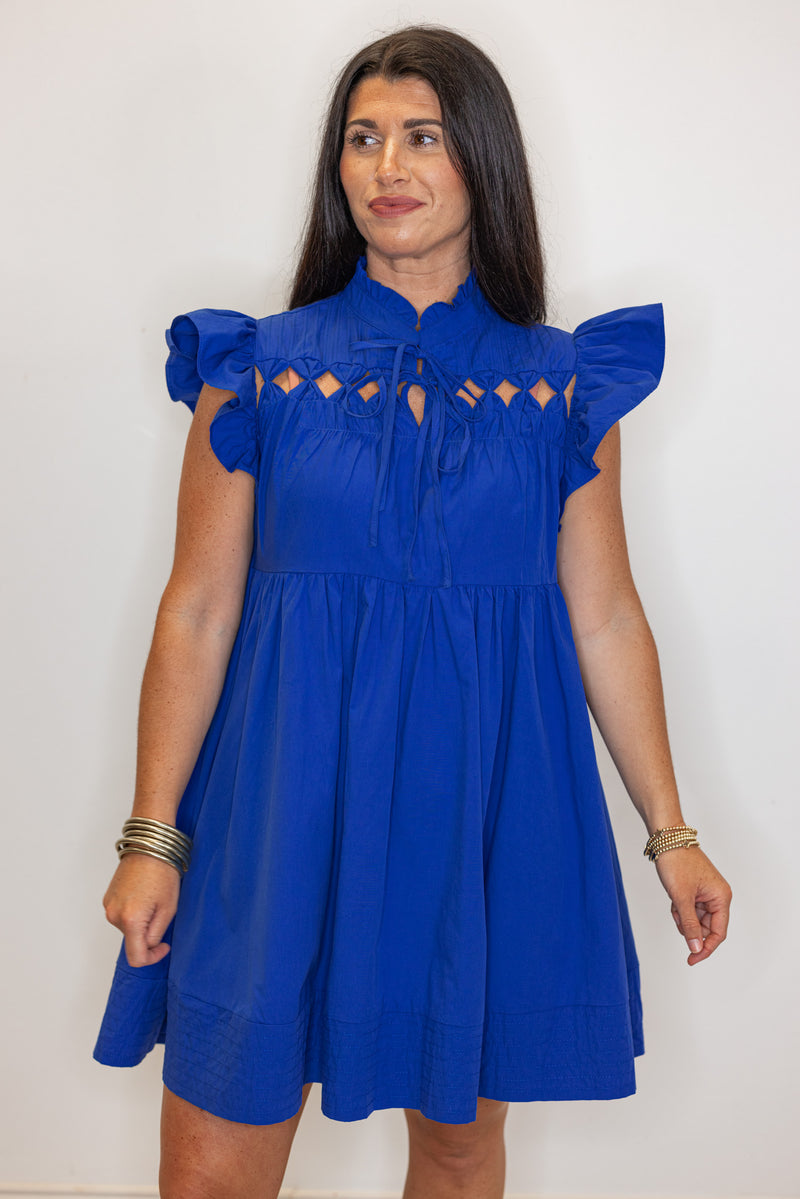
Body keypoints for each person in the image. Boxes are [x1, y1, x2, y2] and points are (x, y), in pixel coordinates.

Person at [94, 23, 732, 1199]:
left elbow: (602, 617)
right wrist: (150, 836)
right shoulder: (256, 370)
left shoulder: (562, 388)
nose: (386, 166)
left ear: (481, 160)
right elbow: (196, 613)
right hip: (277, 811)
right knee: (213, 1159)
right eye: (363, 138)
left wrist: (671, 829)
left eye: (422, 137)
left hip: (483, 807)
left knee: (457, 1145)